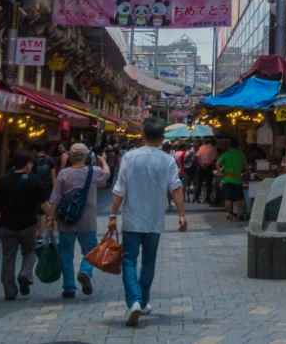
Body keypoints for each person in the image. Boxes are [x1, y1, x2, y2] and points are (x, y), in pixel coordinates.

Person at [111, 118, 187, 328]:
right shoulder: (167, 160)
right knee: (149, 262)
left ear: (142, 135)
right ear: (162, 138)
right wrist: (182, 214)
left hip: (132, 220)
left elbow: (119, 189)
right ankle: (143, 302)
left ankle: (134, 301)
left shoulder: (129, 157)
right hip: (154, 221)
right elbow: (176, 188)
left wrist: (111, 216)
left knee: (128, 261)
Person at [46, 142, 109, 299]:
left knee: (65, 254)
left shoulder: (63, 174)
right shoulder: (93, 171)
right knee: (91, 251)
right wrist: (103, 161)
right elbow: (106, 177)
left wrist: (50, 218)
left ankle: (69, 287)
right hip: (87, 221)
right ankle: (85, 271)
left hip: (66, 221)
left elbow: (55, 198)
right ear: (87, 156)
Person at [0, 150, 51, 301]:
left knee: (8, 257)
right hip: (28, 225)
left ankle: (9, 290)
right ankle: (25, 274)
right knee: (29, 252)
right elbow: (44, 205)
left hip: (7, 225)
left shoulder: (3, 180)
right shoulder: (35, 181)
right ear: (28, 164)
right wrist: (51, 216)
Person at [216, 139, 247, 221]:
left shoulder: (226, 154)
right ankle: (239, 214)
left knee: (228, 198)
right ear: (238, 146)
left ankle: (229, 214)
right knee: (239, 199)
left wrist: (220, 172)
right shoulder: (241, 154)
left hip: (227, 179)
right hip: (238, 180)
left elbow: (217, 163)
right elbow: (246, 167)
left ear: (229, 146)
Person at [196, 138, 218, 203]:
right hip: (209, 167)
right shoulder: (213, 148)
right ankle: (207, 198)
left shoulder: (201, 147)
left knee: (199, 183)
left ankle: (197, 198)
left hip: (200, 167)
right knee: (209, 183)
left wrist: (201, 164)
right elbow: (214, 159)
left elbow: (197, 156)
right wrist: (208, 165)